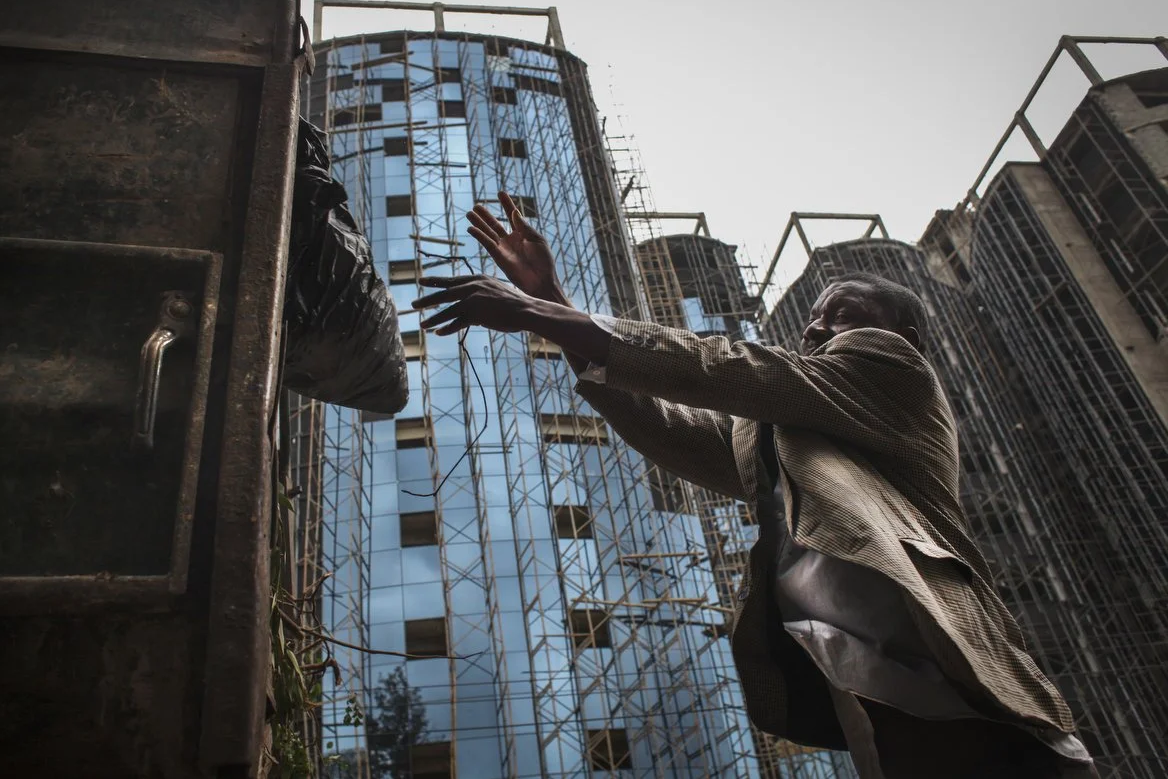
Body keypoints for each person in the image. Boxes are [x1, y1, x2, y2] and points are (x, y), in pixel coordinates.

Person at [411, 193, 1098, 779]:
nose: (817, 327)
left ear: (906, 335)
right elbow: (669, 425)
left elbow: (729, 366)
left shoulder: (894, 373)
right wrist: (552, 302)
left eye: (844, 313)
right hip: (865, 675)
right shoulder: (781, 429)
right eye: (814, 319)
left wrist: (540, 315)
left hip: (944, 653)